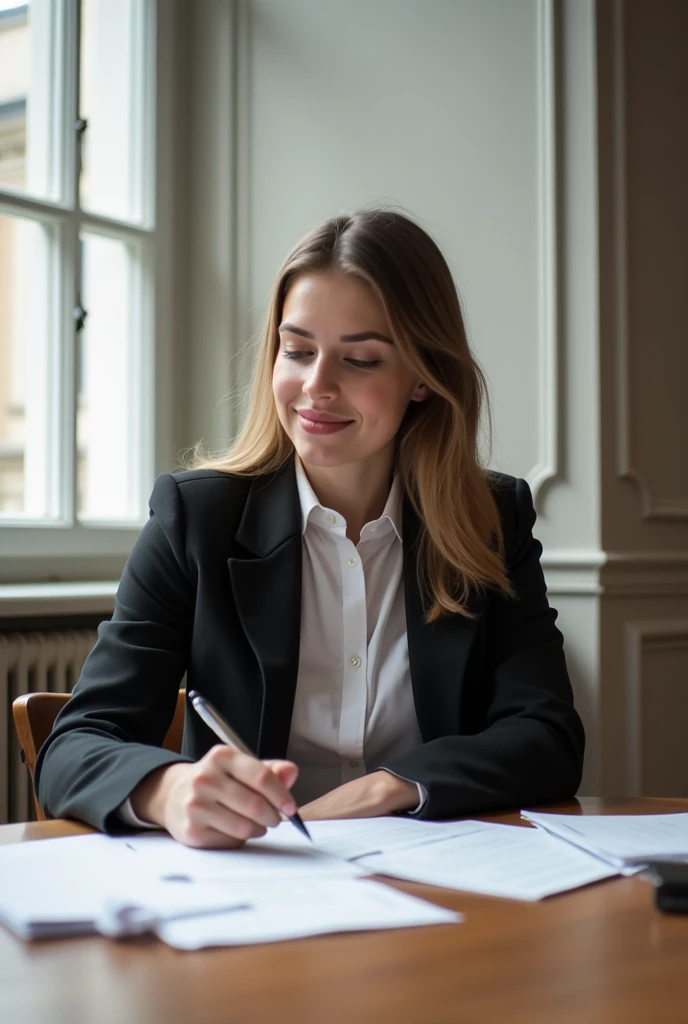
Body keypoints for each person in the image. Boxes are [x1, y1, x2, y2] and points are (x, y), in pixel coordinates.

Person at [35, 209, 585, 848]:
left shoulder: (490, 519)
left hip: (438, 888)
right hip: (257, 891)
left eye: (360, 360)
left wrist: (392, 786)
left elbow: (548, 736)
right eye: (296, 351)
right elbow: (74, 745)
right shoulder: (196, 519)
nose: (315, 387)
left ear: (423, 379)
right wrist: (169, 789)